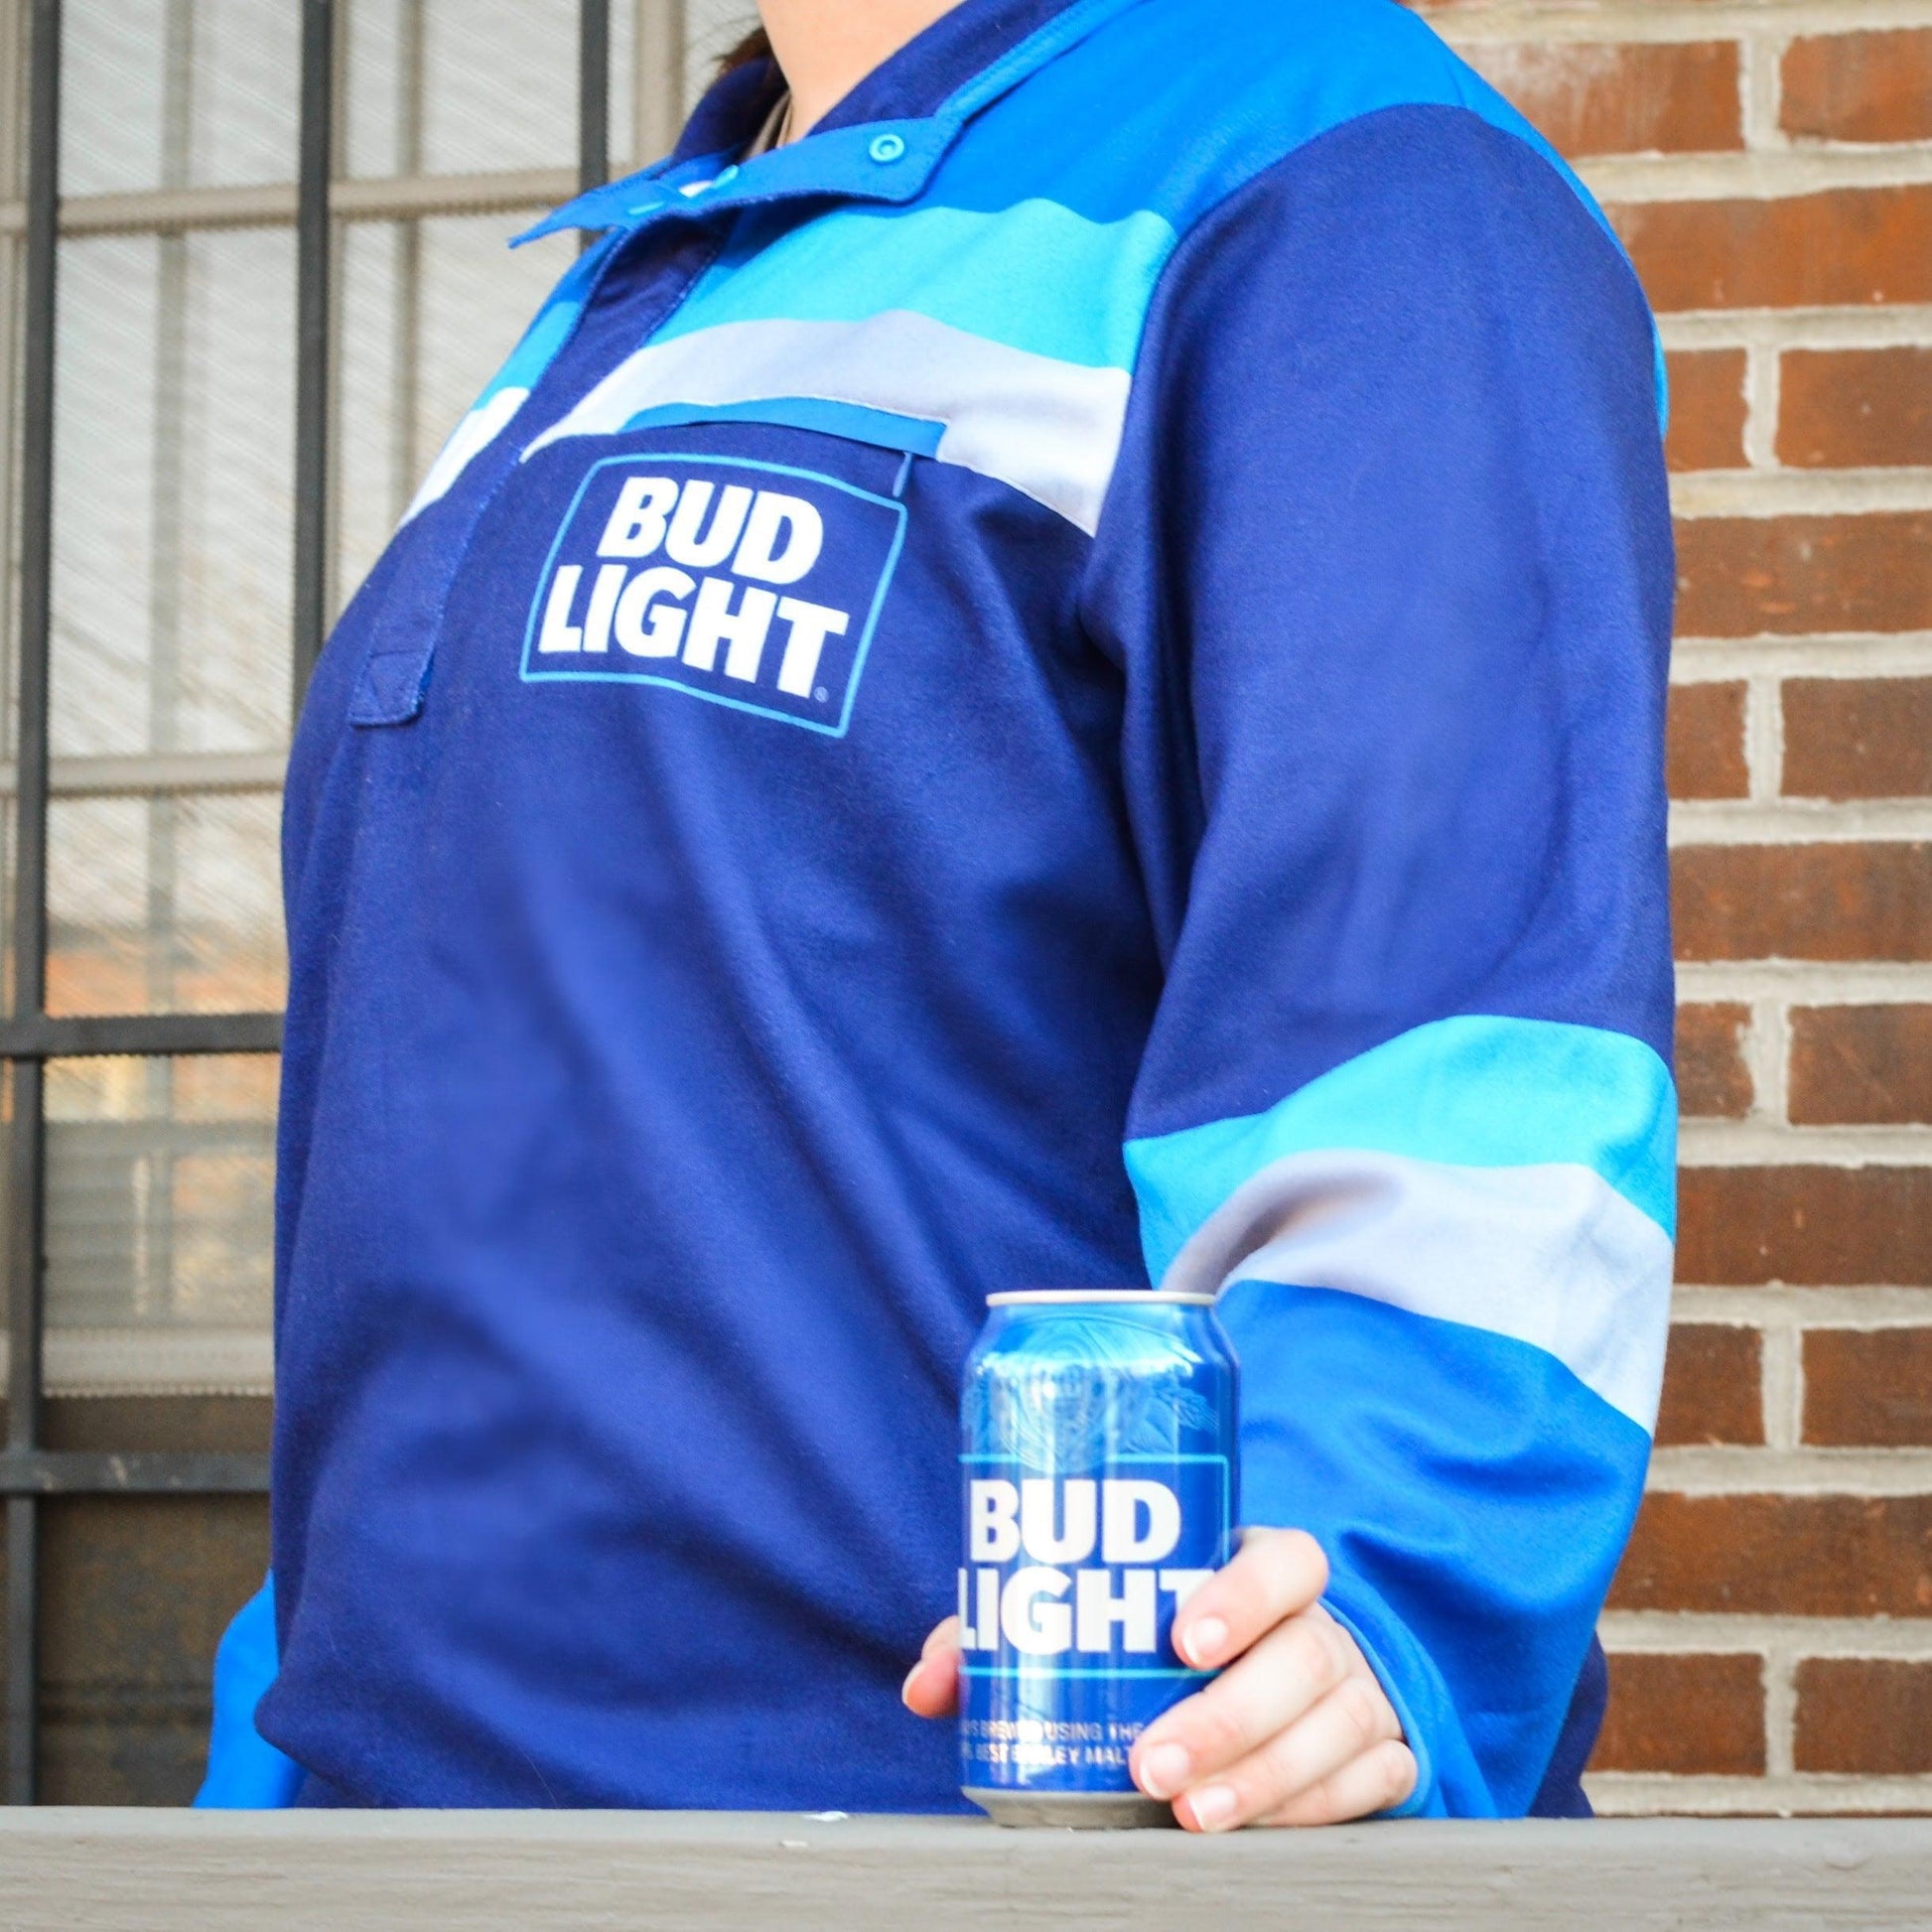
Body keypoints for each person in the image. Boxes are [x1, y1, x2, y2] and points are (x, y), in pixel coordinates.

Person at [196, 0, 1675, 1825]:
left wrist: (1362, 1586)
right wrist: (270, 1746)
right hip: (410, 1845)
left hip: (947, 1847)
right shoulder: (652, 278)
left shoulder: (1341, 187)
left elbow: (1458, 1045)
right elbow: (461, 1186)